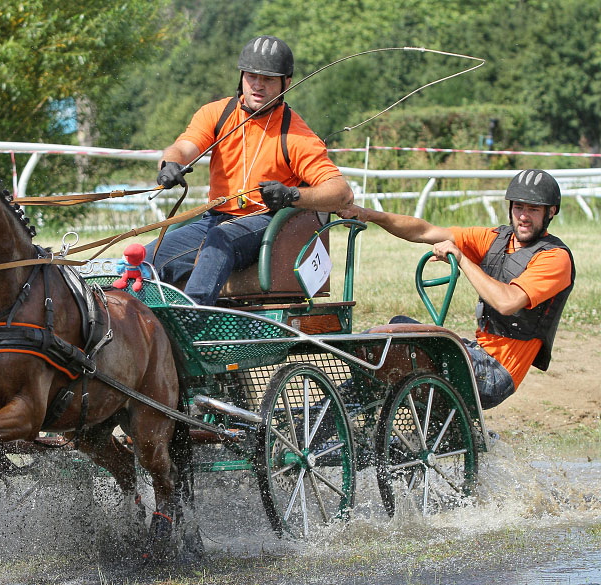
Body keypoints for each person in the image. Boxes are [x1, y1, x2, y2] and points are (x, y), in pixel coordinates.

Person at [338, 169, 575, 409]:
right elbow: (424, 231)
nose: (524, 216)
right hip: (475, 353)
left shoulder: (555, 258)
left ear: (551, 211)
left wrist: (462, 258)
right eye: (518, 208)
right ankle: (335, 416)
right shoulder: (496, 239)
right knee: (394, 332)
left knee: (402, 343)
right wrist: (369, 214)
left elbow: (507, 302)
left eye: (533, 209)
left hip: (497, 374)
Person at [144, 35, 353, 306]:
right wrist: (169, 164)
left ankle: (192, 321)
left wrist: (292, 195)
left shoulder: (297, 136)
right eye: (251, 76)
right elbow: (182, 148)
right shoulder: (217, 114)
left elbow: (341, 193)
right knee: (145, 259)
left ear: (286, 83)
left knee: (220, 238)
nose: (257, 85)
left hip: (265, 224)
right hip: (215, 219)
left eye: (268, 79)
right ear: (241, 76)